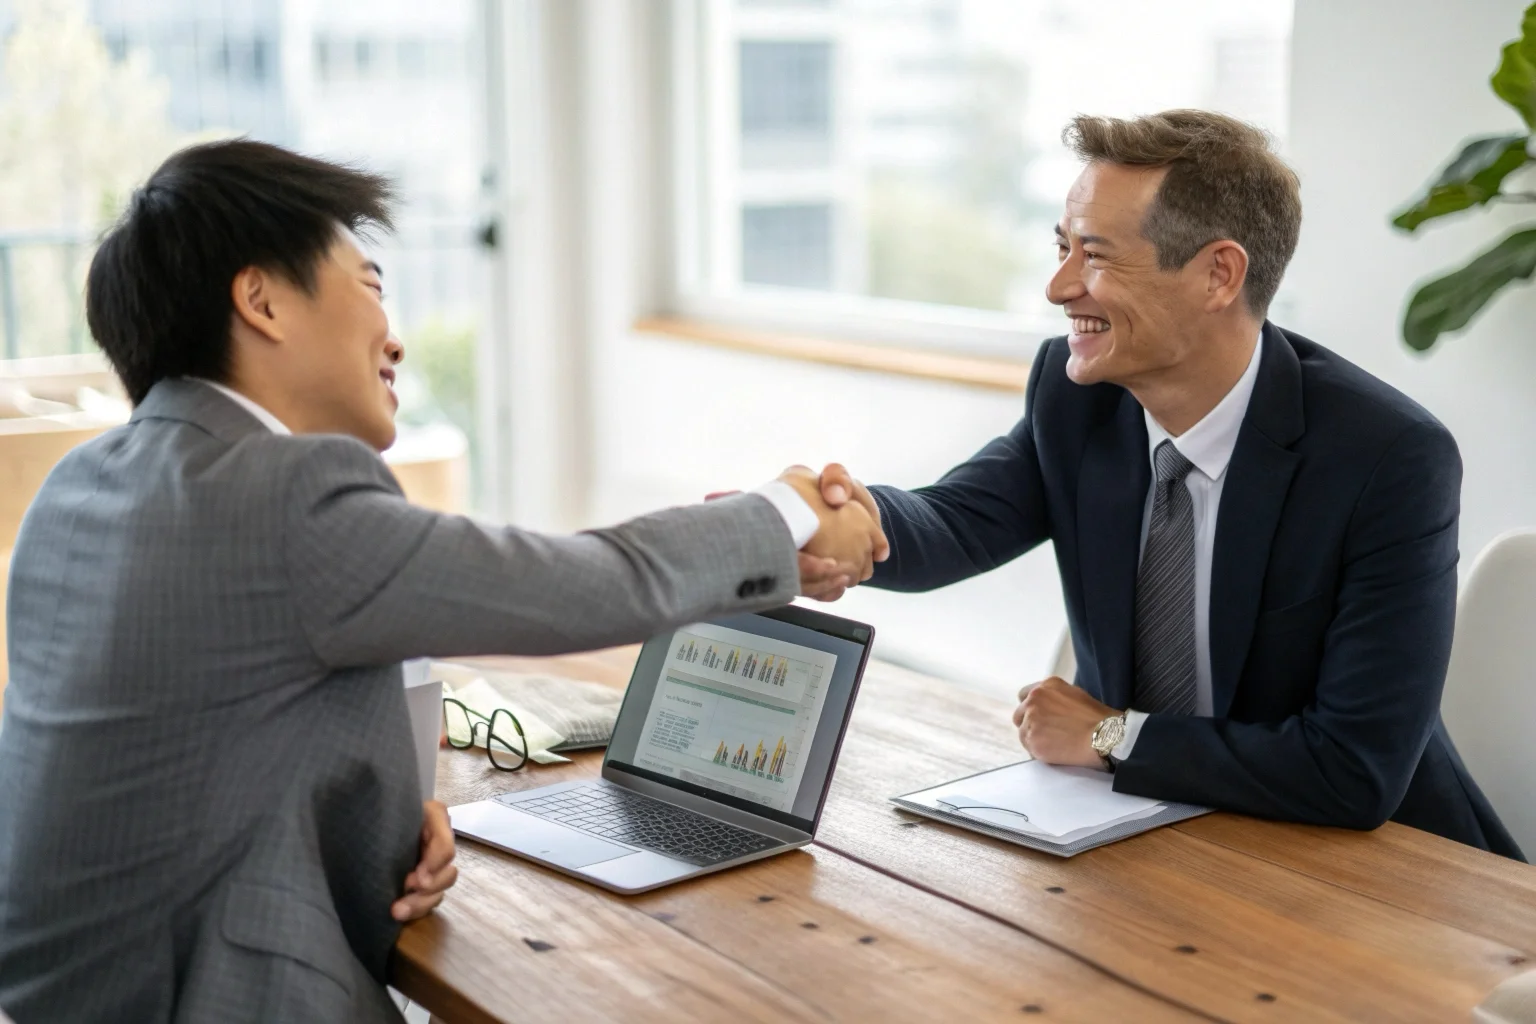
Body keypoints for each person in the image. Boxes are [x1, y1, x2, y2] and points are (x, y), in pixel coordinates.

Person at [0, 140, 887, 1023]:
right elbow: (581, 586)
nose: (395, 336)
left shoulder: (79, 488)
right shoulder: (282, 493)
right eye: (370, 287)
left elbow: (166, 753)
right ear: (261, 299)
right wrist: (793, 508)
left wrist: (383, 817)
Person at [805, 109, 1522, 859]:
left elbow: (1351, 770)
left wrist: (1111, 735)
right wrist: (839, 519)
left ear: (1218, 274)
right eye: (1061, 248)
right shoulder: (1077, 396)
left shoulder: (1389, 457)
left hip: (1387, 870)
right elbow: (954, 522)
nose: (1058, 287)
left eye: (1096, 257)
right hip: (1146, 836)